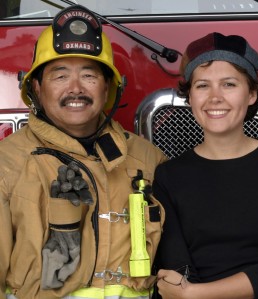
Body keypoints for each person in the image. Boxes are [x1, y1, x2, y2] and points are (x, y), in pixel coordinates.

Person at [0, 5, 166, 299]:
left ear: (108, 87)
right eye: (60, 76)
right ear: (36, 87)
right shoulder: (7, 162)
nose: (75, 89)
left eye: (89, 76)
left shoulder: (148, 158)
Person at [152, 32, 258, 299]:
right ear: (189, 97)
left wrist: (196, 294)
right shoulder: (168, 175)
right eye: (202, 86)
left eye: (228, 84)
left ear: (251, 94)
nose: (215, 97)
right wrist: (190, 292)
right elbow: (178, 272)